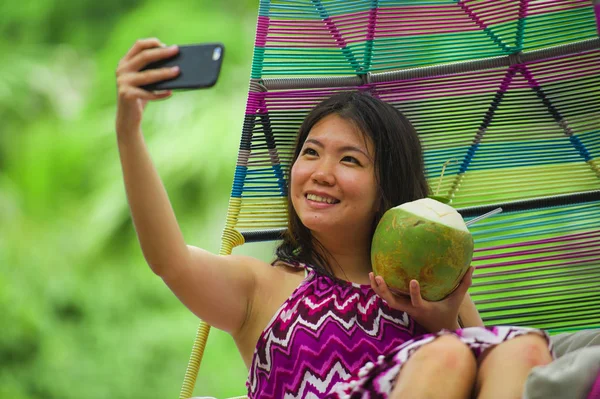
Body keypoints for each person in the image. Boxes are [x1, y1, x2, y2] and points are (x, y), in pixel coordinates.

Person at [115, 38, 554, 399]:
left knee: (524, 350)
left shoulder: (431, 283)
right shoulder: (262, 288)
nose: (321, 174)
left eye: (350, 159)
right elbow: (168, 260)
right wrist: (128, 131)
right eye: (310, 152)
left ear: (387, 188)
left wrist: (439, 324)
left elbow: (484, 371)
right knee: (448, 356)